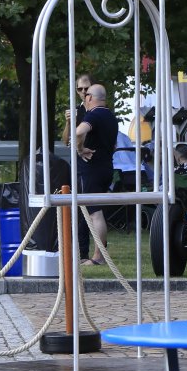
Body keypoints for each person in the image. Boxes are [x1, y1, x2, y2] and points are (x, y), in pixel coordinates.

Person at [74, 83, 117, 265]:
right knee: (96, 212)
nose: (84, 97)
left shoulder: (94, 115)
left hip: (92, 169)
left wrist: (79, 149)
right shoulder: (111, 117)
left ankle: (99, 257)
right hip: (106, 167)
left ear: (90, 97)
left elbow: (78, 132)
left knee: (95, 214)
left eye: (86, 94)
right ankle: (100, 255)